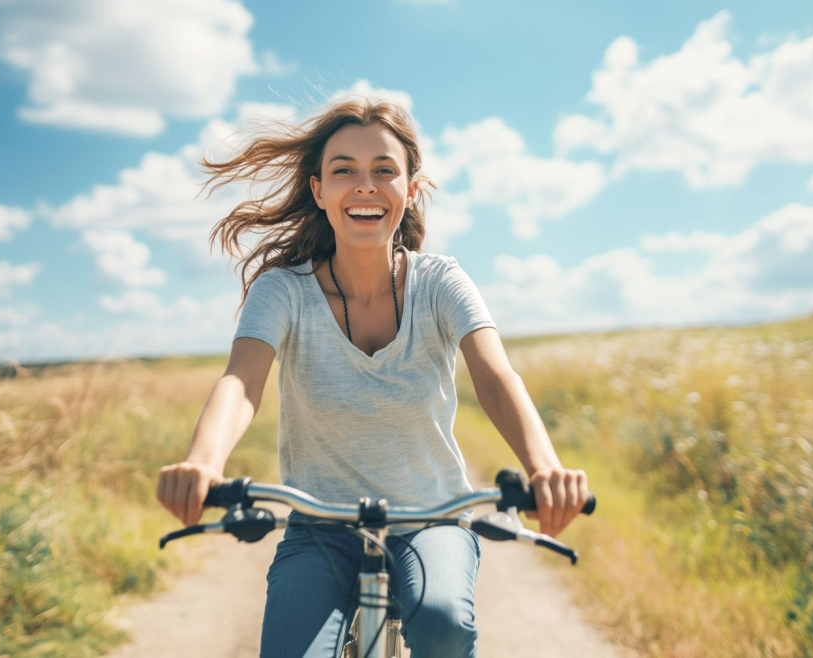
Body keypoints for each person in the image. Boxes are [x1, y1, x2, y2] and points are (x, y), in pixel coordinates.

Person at [156, 96, 591, 658]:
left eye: (384, 170)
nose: (365, 186)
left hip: (431, 519)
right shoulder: (282, 290)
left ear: (410, 188)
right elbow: (242, 382)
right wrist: (203, 463)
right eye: (344, 171)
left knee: (442, 625)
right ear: (318, 191)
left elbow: (495, 376)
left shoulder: (442, 282)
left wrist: (545, 468)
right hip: (319, 526)